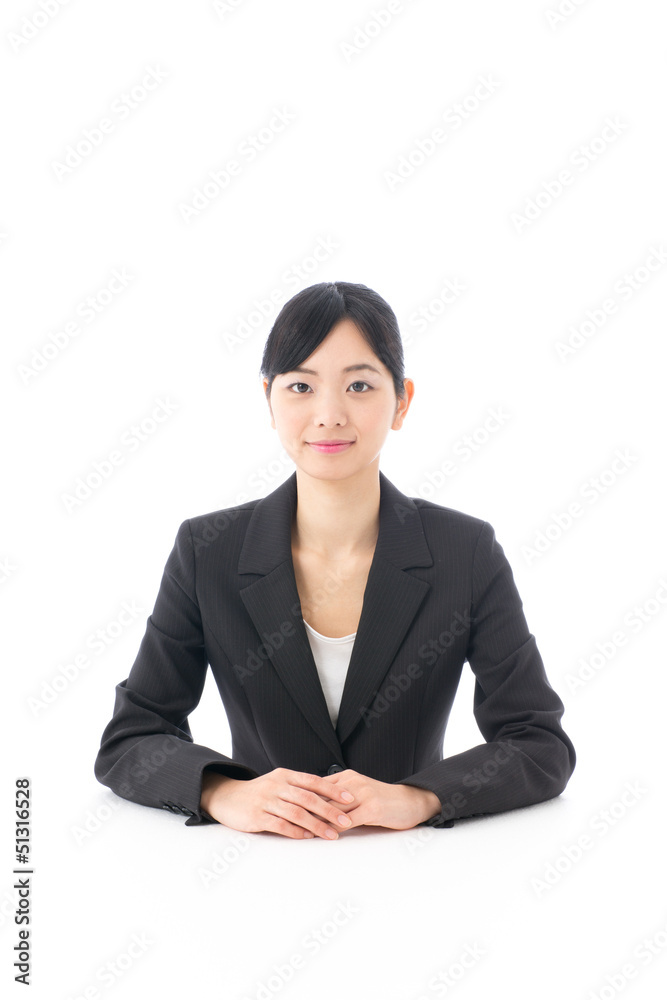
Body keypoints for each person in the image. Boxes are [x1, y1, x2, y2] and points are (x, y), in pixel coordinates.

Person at [94, 280, 576, 841]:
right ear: (269, 399)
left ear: (401, 401)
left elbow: (539, 742)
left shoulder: (463, 551)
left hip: (416, 868)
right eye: (301, 386)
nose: (328, 415)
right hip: (258, 867)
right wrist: (224, 792)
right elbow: (131, 737)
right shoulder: (208, 551)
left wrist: (419, 797)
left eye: (359, 385)